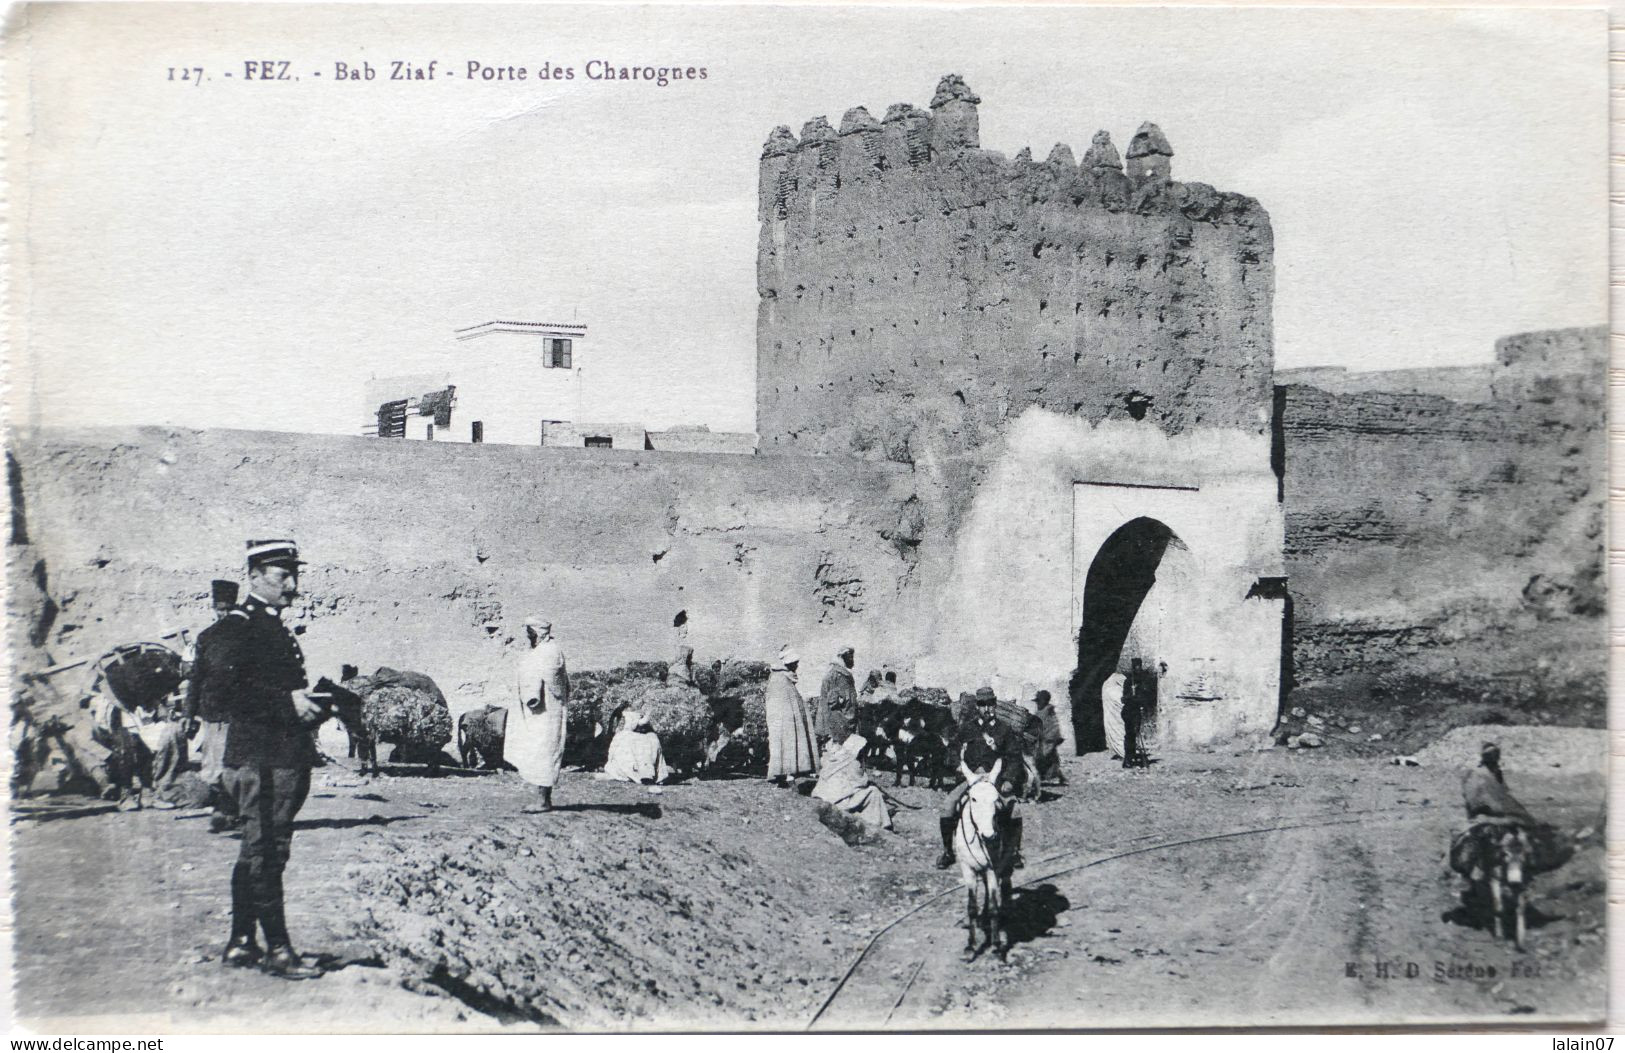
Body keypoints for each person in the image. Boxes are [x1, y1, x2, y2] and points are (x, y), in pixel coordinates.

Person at [220, 539, 327, 979]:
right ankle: (279, 951)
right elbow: (223, 694)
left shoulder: (272, 627)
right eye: (283, 575)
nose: (294, 584)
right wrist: (288, 703)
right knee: (267, 852)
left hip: (281, 754)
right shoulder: (238, 628)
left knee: (257, 851)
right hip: (262, 759)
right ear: (255, 576)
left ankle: (241, 942)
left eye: (294, 574)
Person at [936, 688, 1024, 870]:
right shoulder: (967, 728)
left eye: (990, 703)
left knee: (1014, 809)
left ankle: (1013, 851)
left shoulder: (1004, 730)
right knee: (948, 806)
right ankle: (948, 852)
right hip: (971, 779)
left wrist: (1008, 779)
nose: (987, 708)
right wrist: (957, 765)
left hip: (995, 779)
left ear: (995, 703)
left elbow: (1015, 756)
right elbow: (953, 749)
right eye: (982, 704)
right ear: (977, 706)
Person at [183, 579, 245, 832]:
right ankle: (223, 812)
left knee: (236, 765)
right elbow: (195, 678)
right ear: (214, 609)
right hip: (212, 712)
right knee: (214, 765)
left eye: (228, 609)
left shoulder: (247, 636)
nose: (224, 614)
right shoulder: (205, 637)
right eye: (220, 609)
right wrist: (189, 712)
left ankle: (234, 813)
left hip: (238, 712)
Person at [511, 616, 571, 812]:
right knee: (537, 751)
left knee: (545, 751)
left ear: (537, 631)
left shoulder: (550, 651)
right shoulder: (539, 651)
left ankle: (543, 800)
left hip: (548, 710)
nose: (527, 636)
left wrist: (534, 688)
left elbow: (554, 679)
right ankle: (541, 799)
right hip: (536, 712)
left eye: (529, 631)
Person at [811, 733, 891, 831]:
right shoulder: (853, 763)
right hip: (839, 802)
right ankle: (878, 823)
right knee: (873, 792)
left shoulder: (836, 758)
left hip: (824, 797)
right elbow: (861, 782)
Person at [764, 645, 819, 786]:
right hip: (783, 721)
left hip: (789, 719)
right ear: (789, 663)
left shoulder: (785, 678)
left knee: (791, 742)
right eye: (795, 663)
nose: (797, 666)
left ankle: (791, 772)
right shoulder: (779, 679)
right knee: (786, 743)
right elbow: (778, 703)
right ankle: (786, 774)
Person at [596, 709, 669, 785]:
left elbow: (647, 724)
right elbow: (628, 725)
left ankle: (649, 774)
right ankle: (634, 773)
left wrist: (646, 719)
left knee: (652, 740)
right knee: (628, 740)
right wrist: (638, 721)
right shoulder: (625, 727)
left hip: (644, 733)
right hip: (630, 731)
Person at [815, 646, 858, 750]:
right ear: (843, 658)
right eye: (850, 657)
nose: (852, 660)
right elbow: (834, 703)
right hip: (838, 726)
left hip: (842, 725)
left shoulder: (841, 674)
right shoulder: (838, 675)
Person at [1034, 690, 1066, 786]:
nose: (1037, 704)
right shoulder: (1040, 712)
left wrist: (1051, 738)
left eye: (1039, 702)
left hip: (1048, 740)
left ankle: (1055, 777)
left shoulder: (1047, 712)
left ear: (1044, 701)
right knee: (1050, 759)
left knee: (1045, 758)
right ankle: (1057, 777)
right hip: (1043, 740)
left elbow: (1053, 726)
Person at [1102, 668, 1127, 761]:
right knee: (1116, 731)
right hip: (1113, 715)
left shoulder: (1114, 681)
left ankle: (1123, 752)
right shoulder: (1109, 685)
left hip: (1118, 714)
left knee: (1121, 730)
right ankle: (1121, 752)